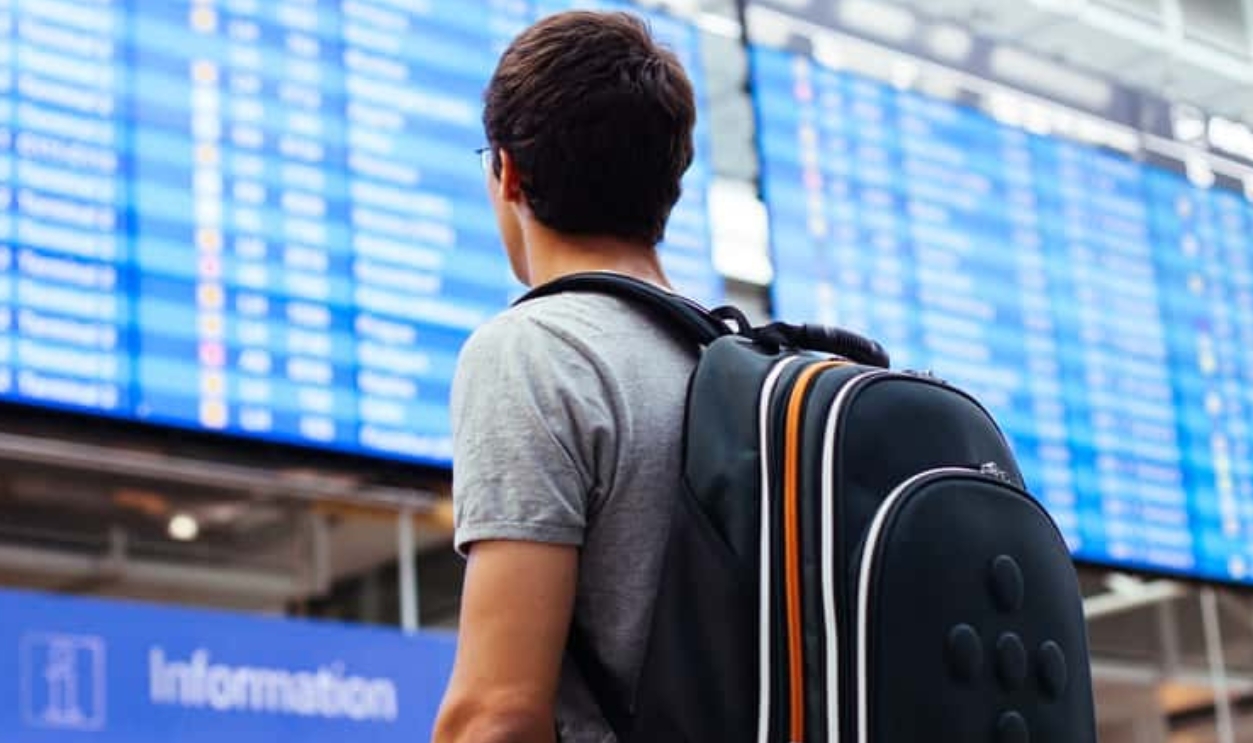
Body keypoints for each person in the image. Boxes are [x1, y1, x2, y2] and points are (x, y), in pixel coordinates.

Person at [432, 10, 699, 743]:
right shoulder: (748, 370)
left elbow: (497, 713)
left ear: (507, 173)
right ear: (668, 182)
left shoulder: (535, 351)